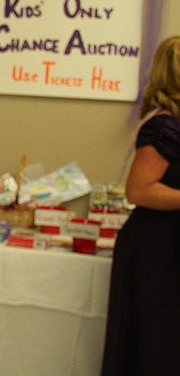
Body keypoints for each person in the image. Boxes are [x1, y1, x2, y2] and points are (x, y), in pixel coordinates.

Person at [101, 35, 180, 375]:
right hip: (156, 251)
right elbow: (139, 190)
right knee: (153, 346)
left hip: (168, 247)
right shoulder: (165, 126)